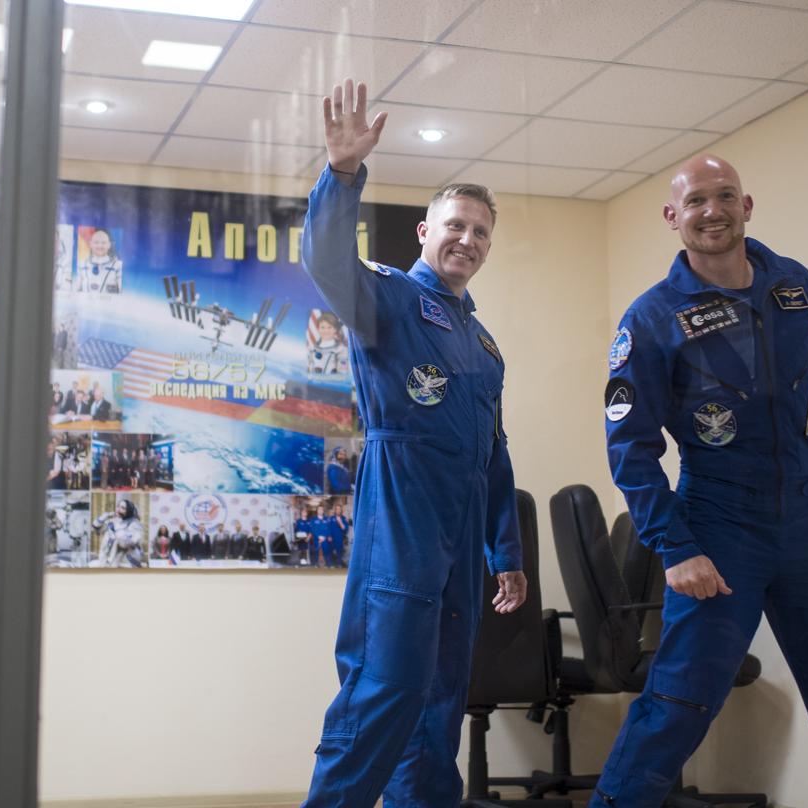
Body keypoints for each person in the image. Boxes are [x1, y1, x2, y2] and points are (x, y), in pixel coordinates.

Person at [594, 154, 808, 807]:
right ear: (672, 217)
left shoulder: (793, 287)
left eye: (724, 196)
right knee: (679, 706)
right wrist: (675, 547)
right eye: (695, 202)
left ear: (747, 205)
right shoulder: (651, 318)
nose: (711, 211)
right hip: (718, 528)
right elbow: (630, 446)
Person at [299, 80, 525, 806]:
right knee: (383, 691)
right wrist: (341, 176)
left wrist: (508, 553)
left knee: (440, 701)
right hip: (400, 515)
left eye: (481, 231)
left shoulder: (483, 344)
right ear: (425, 232)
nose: (467, 239)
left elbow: (493, 456)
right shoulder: (391, 298)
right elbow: (328, 264)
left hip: (461, 535)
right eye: (455, 224)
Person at [98, 499, 144, 568]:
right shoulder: (112, 521)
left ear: (128, 511)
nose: (118, 509)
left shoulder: (135, 523)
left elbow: (132, 541)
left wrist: (117, 537)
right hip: (107, 559)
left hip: (126, 561)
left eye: (123, 508)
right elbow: (96, 528)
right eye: (118, 506)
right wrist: (106, 515)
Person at [78, 228, 123, 294]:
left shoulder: (118, 265)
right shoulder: (81, 265)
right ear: (91, 244)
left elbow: (122, 292)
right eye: (96, 242)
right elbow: (76, 291)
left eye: (103, 243)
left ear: (109, 245)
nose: (100, 245)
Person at [307, 310, 349, 375]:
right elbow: (309, 368)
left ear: (335, 329)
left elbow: (343, 371)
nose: (326, 330)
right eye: (322, 327)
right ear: (318, 329)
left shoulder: (341, 349)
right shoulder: (313, 348)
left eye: (329, 327)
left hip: (332, 382)